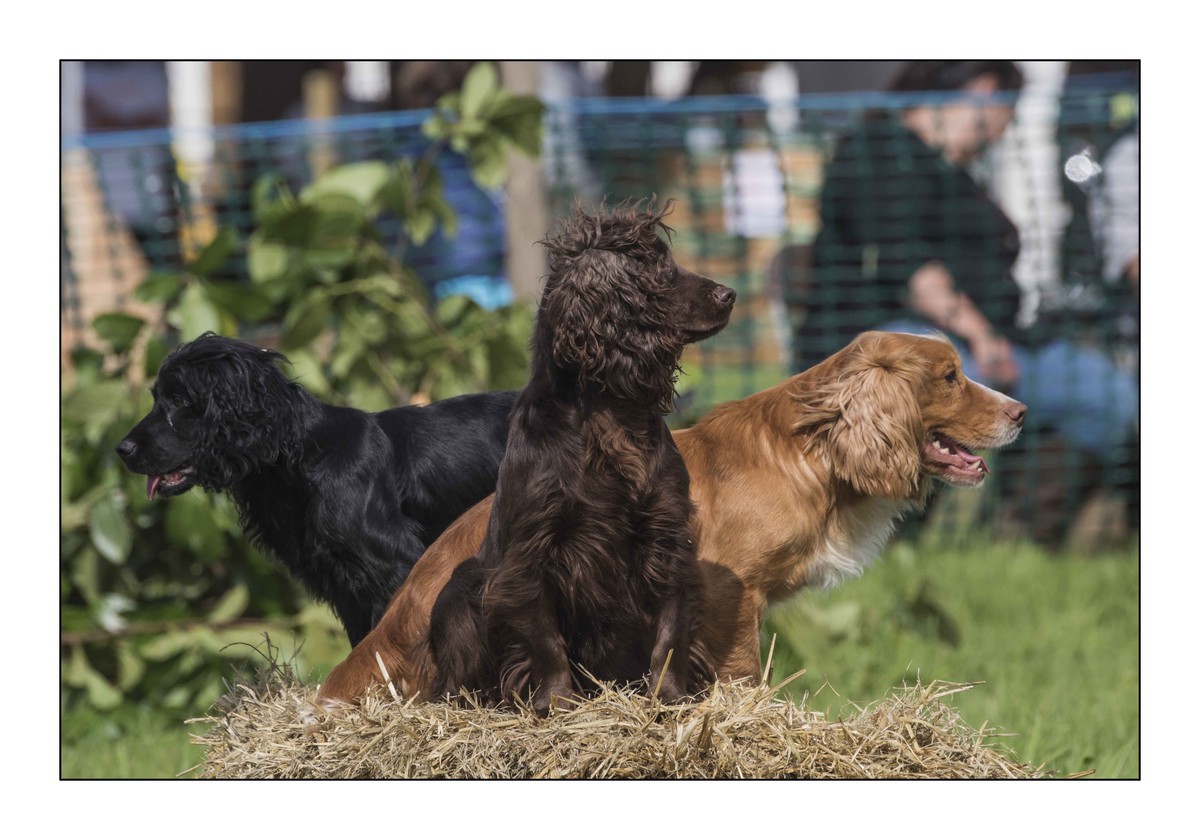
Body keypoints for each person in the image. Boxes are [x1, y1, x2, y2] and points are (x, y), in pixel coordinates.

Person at [789, 60, 1138, 542]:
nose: (1008, 124)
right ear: (985, 91)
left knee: (1110, 396)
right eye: (1009, 108)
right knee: (954, 373)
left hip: (1007, 338)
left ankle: (1021, 535)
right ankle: (890, 530)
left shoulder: (963, 175)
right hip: (902, 336)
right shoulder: (878, 150)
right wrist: (980, 335)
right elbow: (906, 263)